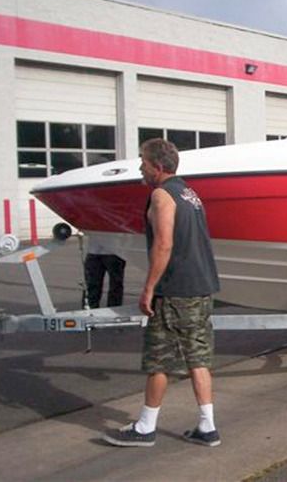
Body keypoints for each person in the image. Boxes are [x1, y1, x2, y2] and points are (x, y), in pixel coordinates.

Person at [102, 138, 220, 448]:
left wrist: (149, 288)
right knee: (198, 357)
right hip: (202, 287)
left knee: (159, 359)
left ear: (157, 166)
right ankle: (208, 427)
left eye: (143, 162)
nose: (140, 167)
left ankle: (145, 427)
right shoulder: (189, 193)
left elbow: (164, 243)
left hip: (175, 291)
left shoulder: (161, 195)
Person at [83, 235, 125, 308]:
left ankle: (113, 309)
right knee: (92, 286)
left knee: (115, 286)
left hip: (114, 251)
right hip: (96, 251)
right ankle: (90, 309)